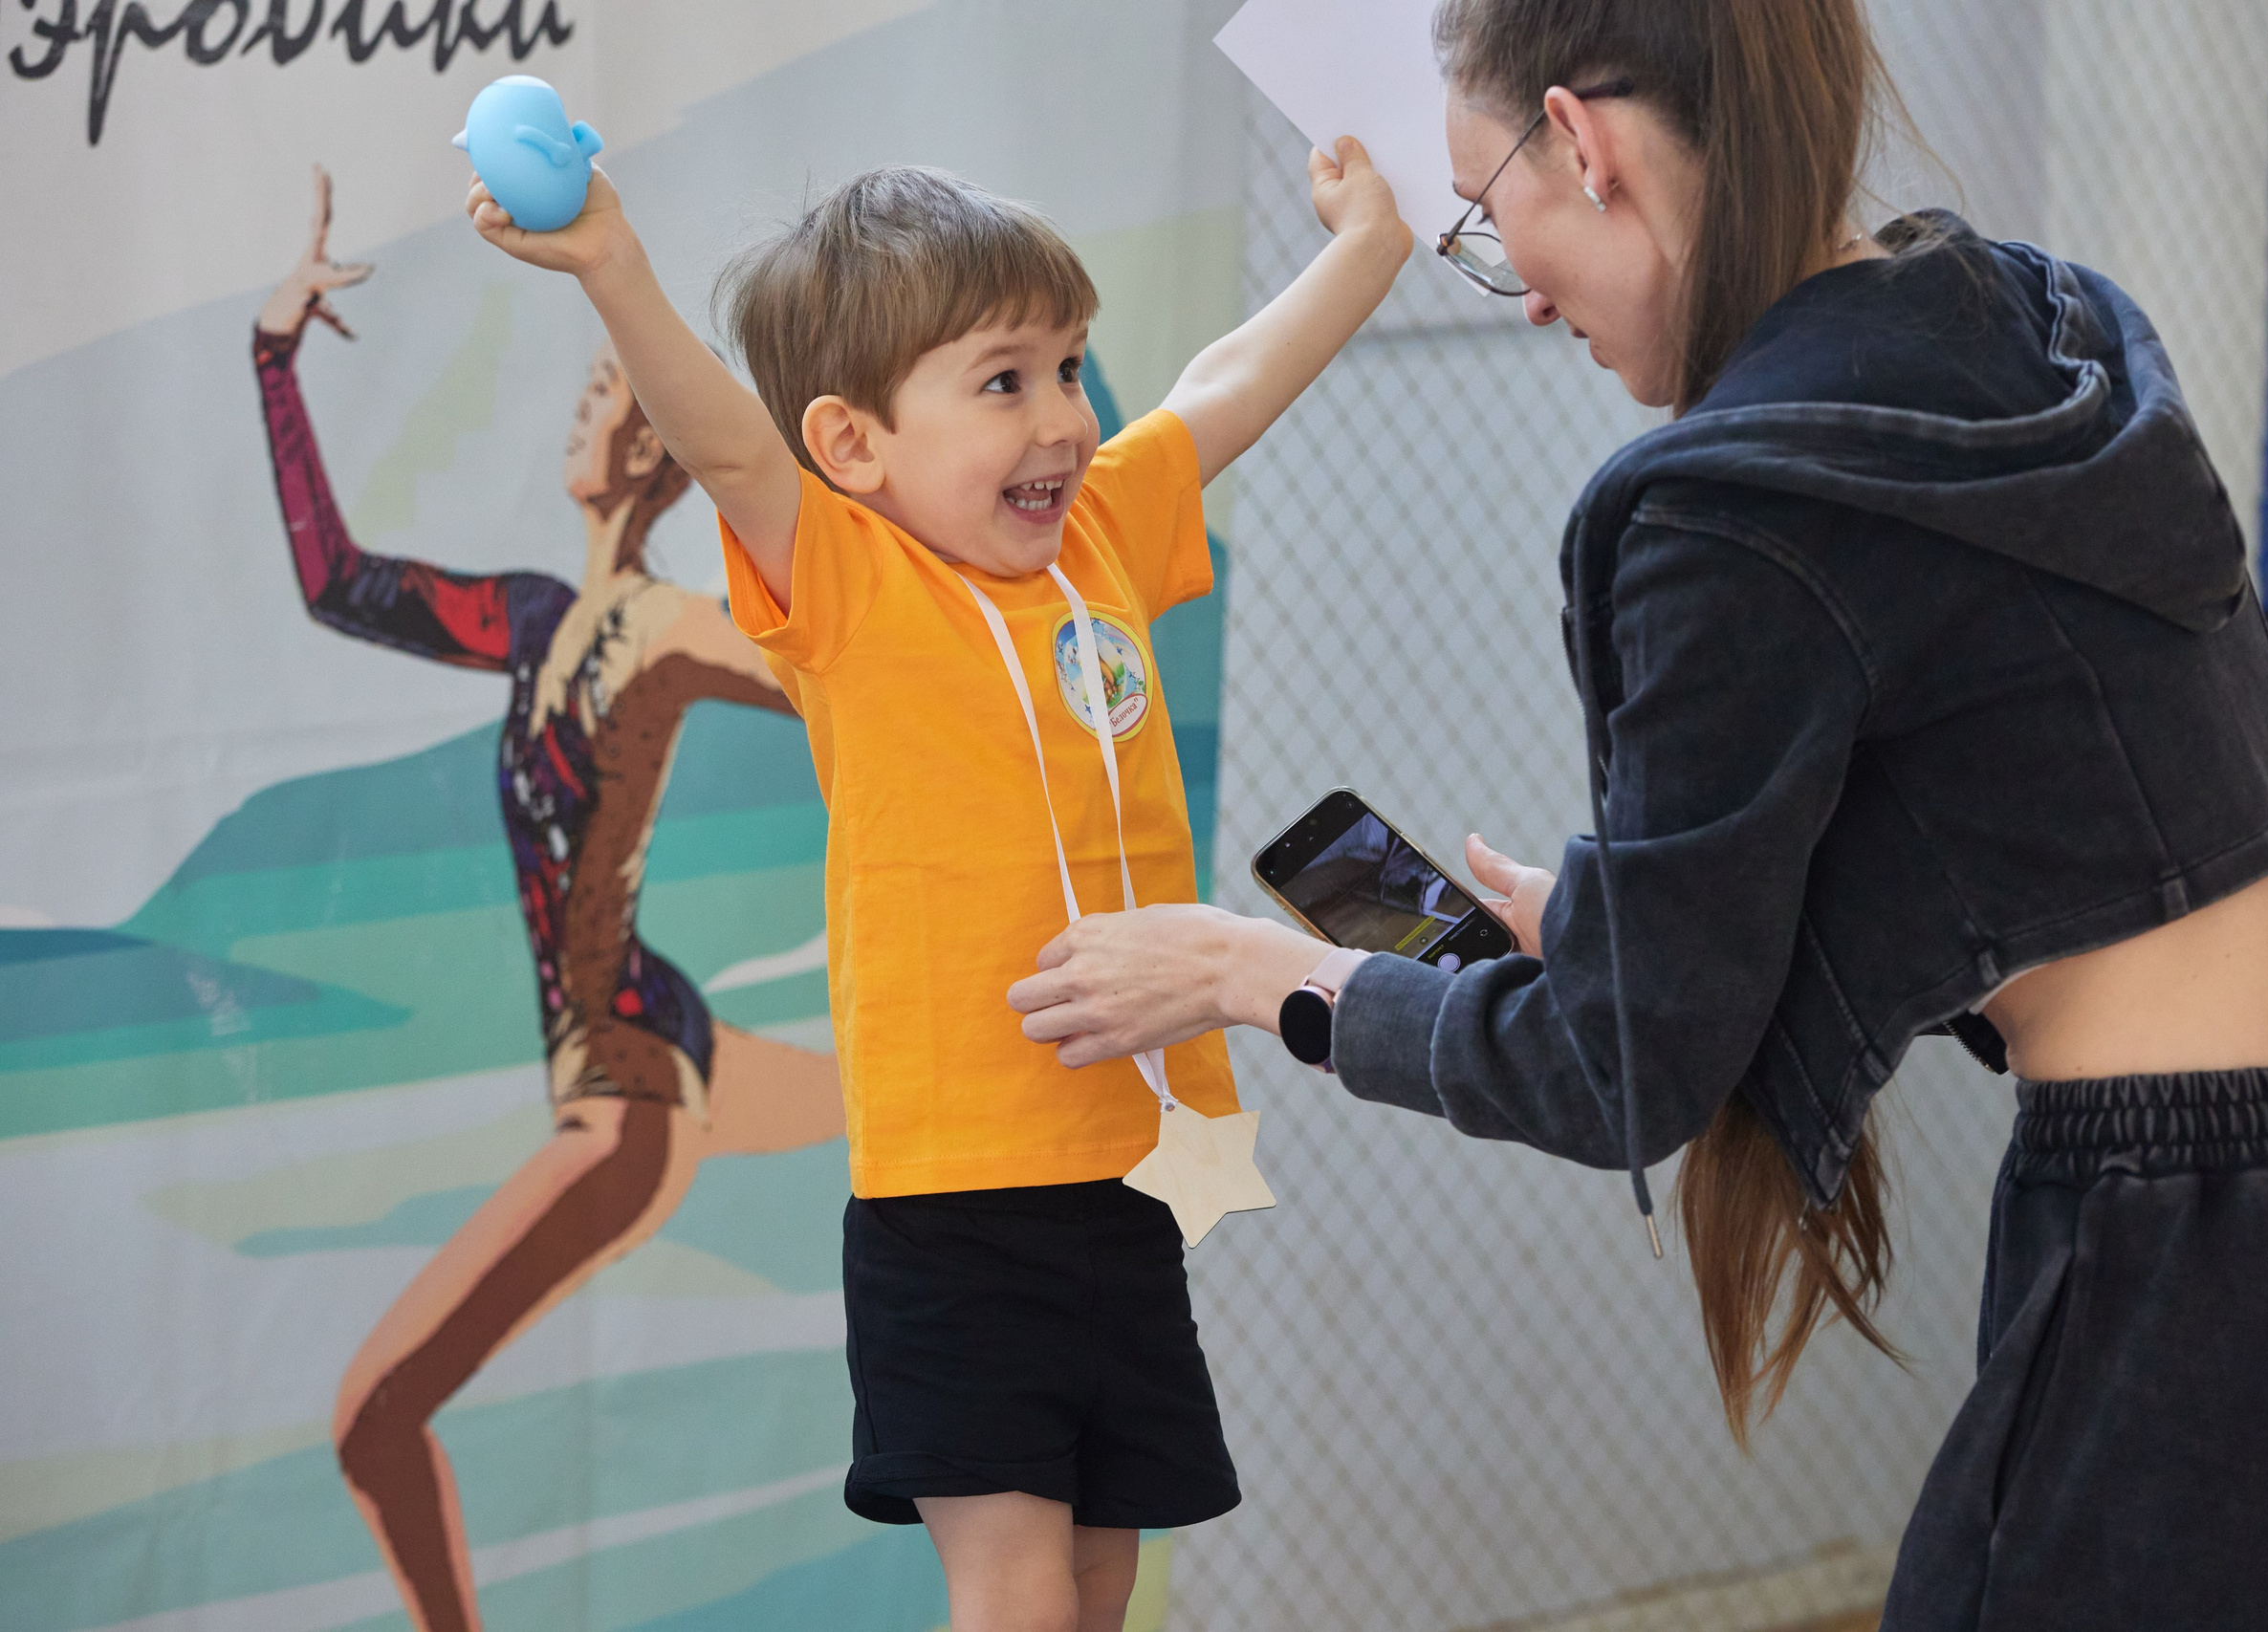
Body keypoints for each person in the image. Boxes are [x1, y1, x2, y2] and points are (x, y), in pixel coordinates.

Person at [1005, 2, 2268, 1626]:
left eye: (1488, 216)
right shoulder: (2036, 319)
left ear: (1591, 141)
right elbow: (2065, 815)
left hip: (2180, 1270)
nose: (1524, 286)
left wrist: (1249, 976)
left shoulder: (1722, 503)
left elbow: (1614, 1073)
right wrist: (1639, 929)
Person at [462, 139, 1407, 1629]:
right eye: (1003, 380)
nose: (1063, 419)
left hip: (1127, 1173)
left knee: (1101, 1582)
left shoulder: (1099, 531)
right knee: (1019, 1594)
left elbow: (1228, 382)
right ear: (851, 444)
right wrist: (613, 271)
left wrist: (1367, 246)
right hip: (959, 1202)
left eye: (1072, 366)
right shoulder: (843, 583)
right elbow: (723, 445)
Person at [252, 168, 847, 1632]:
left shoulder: (664, 630)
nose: (585, 413)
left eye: (604, 395)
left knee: (371, 1417)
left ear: (651, 441)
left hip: (632, 1083)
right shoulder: (534, 623)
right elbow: (336, 583)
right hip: (660, 1029)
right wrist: (274, 357)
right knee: (903, 1093)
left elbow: (849, 671)